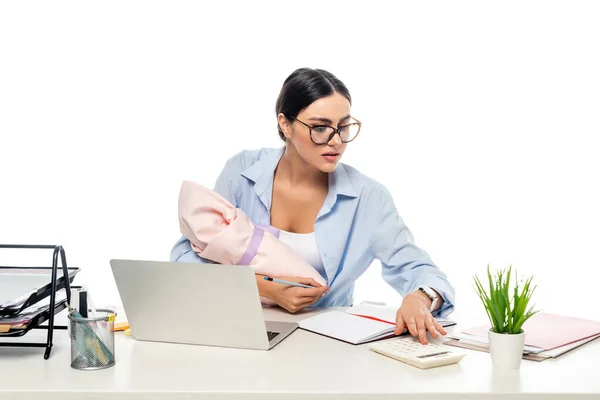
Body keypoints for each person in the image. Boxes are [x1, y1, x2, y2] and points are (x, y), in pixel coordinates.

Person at [171, 67, 455, 345]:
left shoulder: (368, 197)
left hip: (326, 342)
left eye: (344, 127)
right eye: (320, 128)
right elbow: (188, 254)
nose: (336, 142)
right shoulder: (242, 171)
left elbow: (419, 268)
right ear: (285, 124)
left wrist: (420, 297)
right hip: (239, 329)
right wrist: (263, 288)